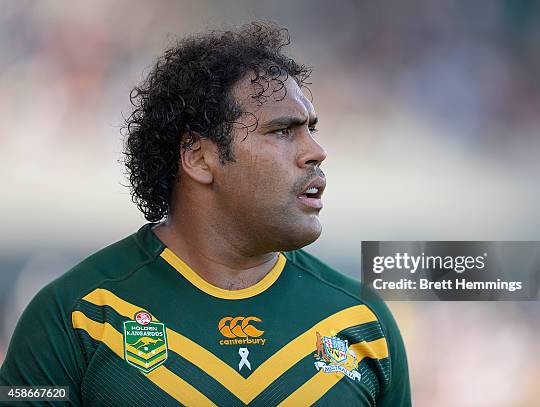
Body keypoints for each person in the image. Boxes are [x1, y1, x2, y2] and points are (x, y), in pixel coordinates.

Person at [0, 22, 411, 406]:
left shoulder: (361, 320)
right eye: (282, 131)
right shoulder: (78, 314)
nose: (315, 152)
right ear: (198, 157)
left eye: (311, 129)